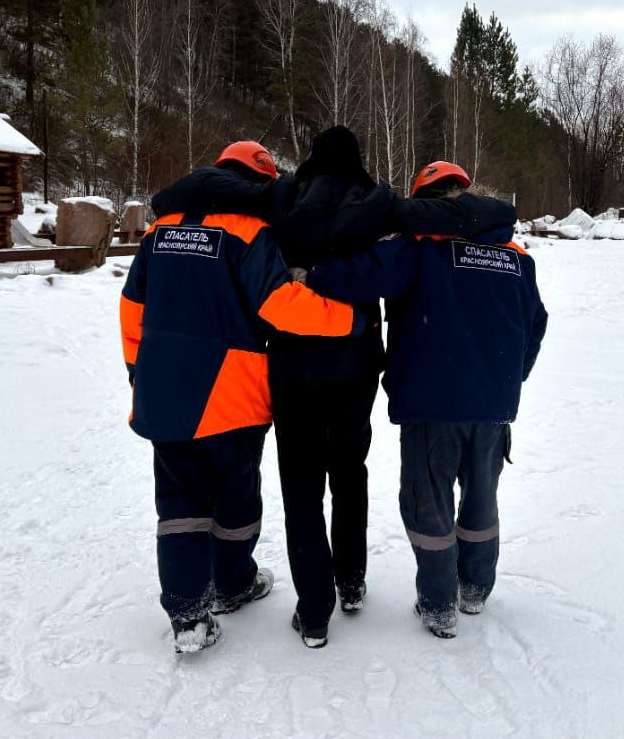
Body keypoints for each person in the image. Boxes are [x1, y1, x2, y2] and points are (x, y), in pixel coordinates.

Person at [151, 129, 518, 648]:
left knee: (301, 487)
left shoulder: (283, 198)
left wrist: (307, 274)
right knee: (349, 472)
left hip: (292, 365)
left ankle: (315, 610)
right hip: (355, 364)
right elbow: (395, 267)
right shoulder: (379, 202)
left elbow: (227, 197)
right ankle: (351, 581)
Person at [119, 140, 362, 654]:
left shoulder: (159, 232)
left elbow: (131, 308)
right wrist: (347, 319)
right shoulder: (249, 231)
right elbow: (280, 305)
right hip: (232, 393)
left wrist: (137, 370)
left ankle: (188, 616)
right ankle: (233, 584)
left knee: (180, 504)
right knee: (235, 496)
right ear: (258, 184)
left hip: (164, 394)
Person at [304, 161, 547, 639]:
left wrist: (311, 273)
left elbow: (361, 276)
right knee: (481, 500)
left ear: (423, 201)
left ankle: (438, 605)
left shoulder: (417, 247)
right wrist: (509, 378)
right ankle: (474, 589)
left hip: (432, 402)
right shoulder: (516, 254)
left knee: (428, 505)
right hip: (493, 406)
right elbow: (535, 324)